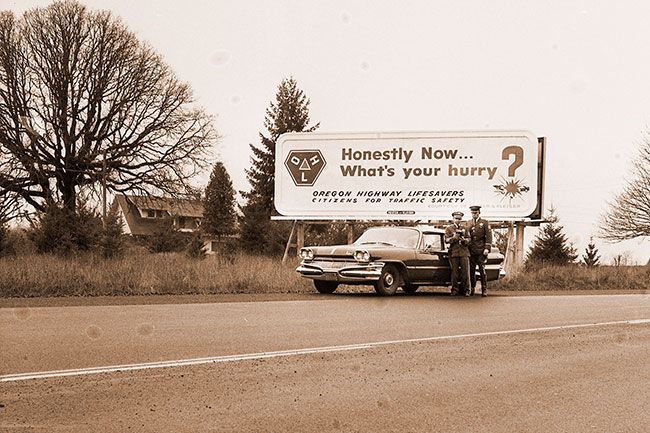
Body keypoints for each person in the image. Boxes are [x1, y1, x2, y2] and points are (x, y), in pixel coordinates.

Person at [466, 205, 492, 297]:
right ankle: (472, 288)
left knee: (482, 269)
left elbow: (488, 236)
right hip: (471, 250)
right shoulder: (468, 223)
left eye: (476, 213)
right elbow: (467, 235)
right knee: (471, 270)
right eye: (472, 213)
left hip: (481, 250)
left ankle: (484, 289)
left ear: (479, 213)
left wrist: (487, 248)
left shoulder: (484, 222)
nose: (474, 214)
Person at [444, 211, 471, 296]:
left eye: (459, 219)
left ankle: (466, 290)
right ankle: (454, 289)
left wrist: (464, 240)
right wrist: (454, 238)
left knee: (465, 272)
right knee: (454, 273)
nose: (457, 220)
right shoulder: (449, 228)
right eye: (456, 218)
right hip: (454, 252)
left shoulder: (465, 228)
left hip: (464, 252)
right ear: (453, 219)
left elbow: (469, 240)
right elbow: (446, 240)